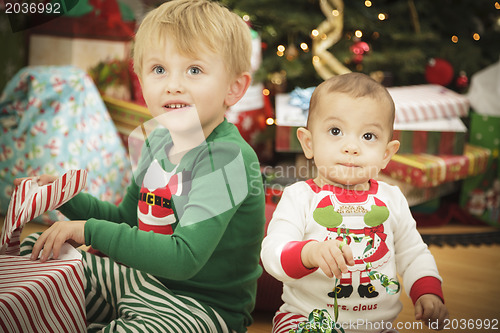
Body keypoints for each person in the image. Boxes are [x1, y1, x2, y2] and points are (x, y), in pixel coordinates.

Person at [16, 0, 266, 332]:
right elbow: (127, 221)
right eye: (159, 69)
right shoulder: (156, 141)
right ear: (140, 78)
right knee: (38, 253)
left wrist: (87, 231)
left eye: (194, 70)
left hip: (200, 309)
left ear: (234, 89)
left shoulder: (227, 158)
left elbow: (183, 258)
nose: (172, 84)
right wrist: (66, 199)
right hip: (139, 282)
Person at [261, 73, 448, 333]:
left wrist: (427, 291)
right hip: (307, 319)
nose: (351, 147)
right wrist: (309, 252)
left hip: (377, 326)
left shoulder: (391, 199)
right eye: (336, 131)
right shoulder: (299, 197)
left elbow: (413, 253)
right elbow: (273, 253)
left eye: (368, 136)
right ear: (309, 143)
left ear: (386, 154)